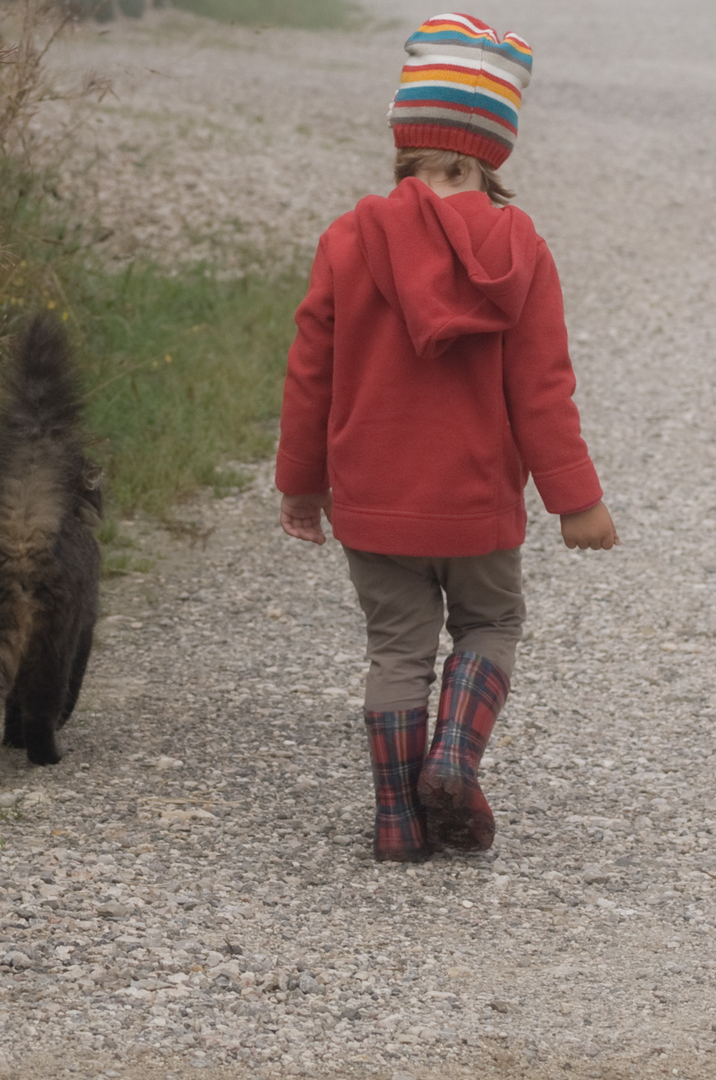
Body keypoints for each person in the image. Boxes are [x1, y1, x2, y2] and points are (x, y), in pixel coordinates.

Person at [275, 12, 619, 862]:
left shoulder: (348, 240)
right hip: (473, 506)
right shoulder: (519, 248)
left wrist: (300, 483)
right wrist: (576, 500)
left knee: (396, 650)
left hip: (373, 502)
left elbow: (309, 376)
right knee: (488, 623)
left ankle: (396, 823)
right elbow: (540, 388)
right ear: (494, 150)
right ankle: (455, 757)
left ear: (403, 141)